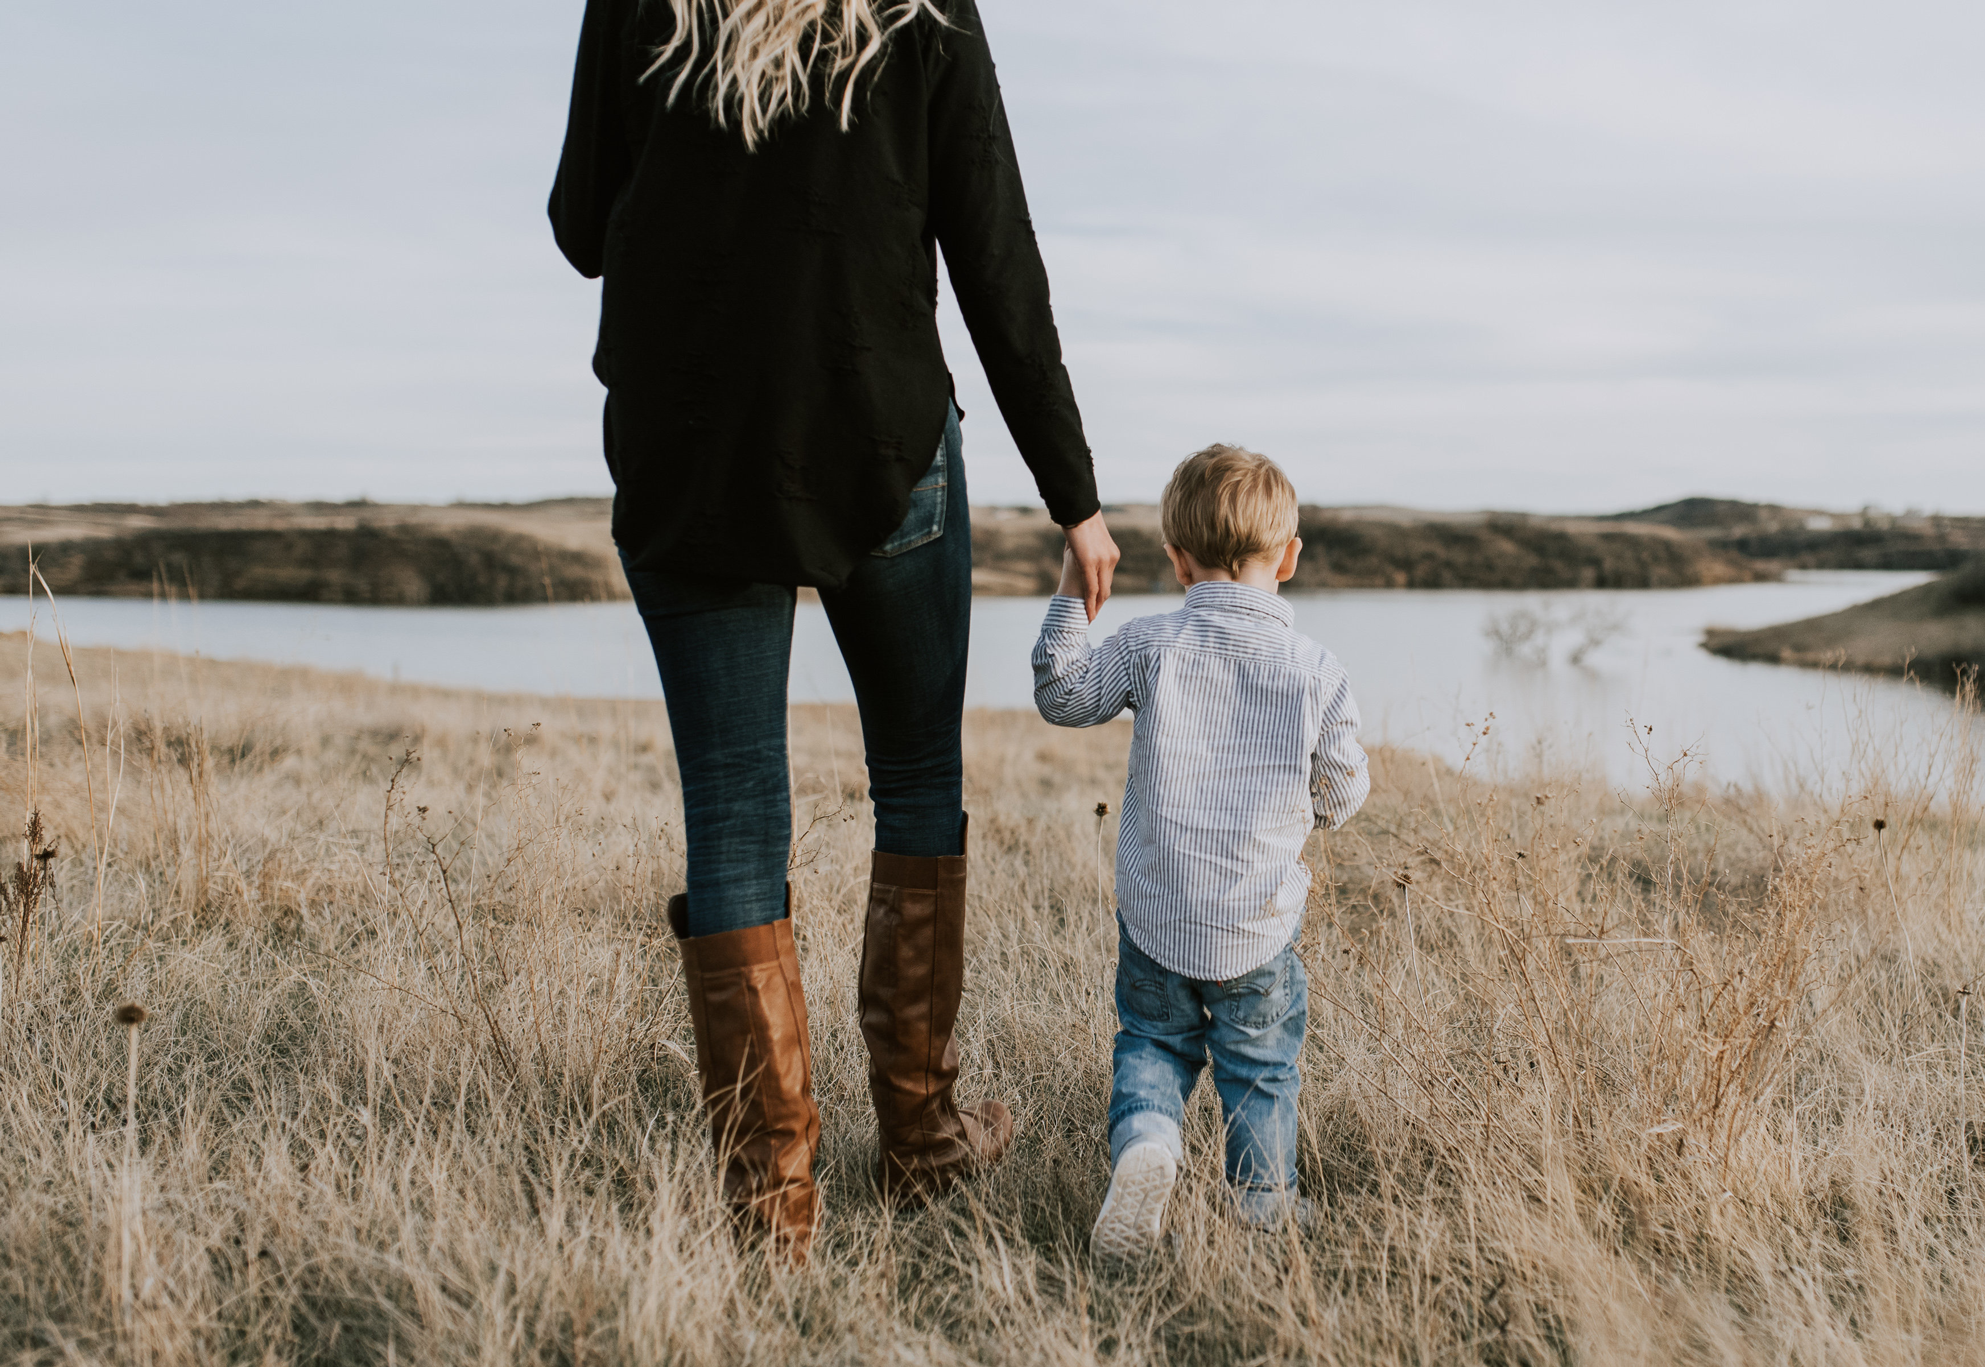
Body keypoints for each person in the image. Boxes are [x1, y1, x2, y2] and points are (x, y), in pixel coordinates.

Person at [548, 0, 1121, 1263]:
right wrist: (1073, 495)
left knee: (735, 813)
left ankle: (773, 1209)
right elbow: (994, 253)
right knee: (917, 778)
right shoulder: (922, 8)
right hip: (880, 442)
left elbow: (580, 226)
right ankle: (921, 1140)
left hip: (692, 449)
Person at [1031, 444, 1369, 1260]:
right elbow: (1344, 789)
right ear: (1288, 557)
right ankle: (1261, 1208)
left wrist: (1074, 595)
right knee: (1259, 1067)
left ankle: (1148, 1141)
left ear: (1178, 561)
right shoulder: (1316, 670)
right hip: (1257, 922)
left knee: (1152, 1044)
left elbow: (1062, 694)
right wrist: (1309, 813)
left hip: (1157, 913)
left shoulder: (1152, 644)